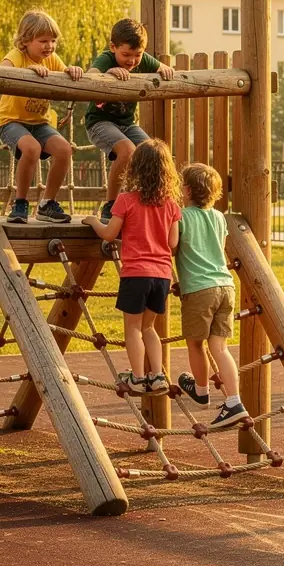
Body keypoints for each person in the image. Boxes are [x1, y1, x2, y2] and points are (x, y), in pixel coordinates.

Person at [82, 140, 182, 394]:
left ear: (135, 169)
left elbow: (109, 233)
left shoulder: (126, 200)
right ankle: (157, 375)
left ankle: (137, 377)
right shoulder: (171, 204)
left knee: (133, 328)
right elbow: (172, 242)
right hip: (162, 276)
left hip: (136, 274)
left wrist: (93, 221)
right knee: (149, 328)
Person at [173, 163, 250, 430]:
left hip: (199, 288)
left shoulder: (181, 216)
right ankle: (234, 401)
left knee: (195, 344)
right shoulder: (218, 217)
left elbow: (172, 246)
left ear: (185, 190)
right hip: (225, 286)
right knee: (220, 347)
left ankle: (201, 390)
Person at [0, 10, 84, 224]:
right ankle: (20, 203)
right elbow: (1, 72)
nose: (49, 46)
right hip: (11, 122)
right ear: (25, 40)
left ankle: (47, 204)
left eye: (53, 41)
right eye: (43, 41)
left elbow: (64, 74)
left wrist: (71, 70)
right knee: (32, 148)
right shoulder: (17, 56)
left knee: (64, 149)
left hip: (40, 123)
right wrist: (28, 71)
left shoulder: (51, 59)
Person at [84, 18, 175, 222]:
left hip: (126, 123)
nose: (132, 61)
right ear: (113, 47)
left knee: (154, 151)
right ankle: (110, 204)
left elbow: (162, 67)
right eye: (126, 55)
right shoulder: (107, 58)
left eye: (137, 55)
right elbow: (90, 76)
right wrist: (108, 73)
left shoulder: (142, 60)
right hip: (99, 122)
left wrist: (164, 69)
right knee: (127, 151)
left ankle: (150, 199)